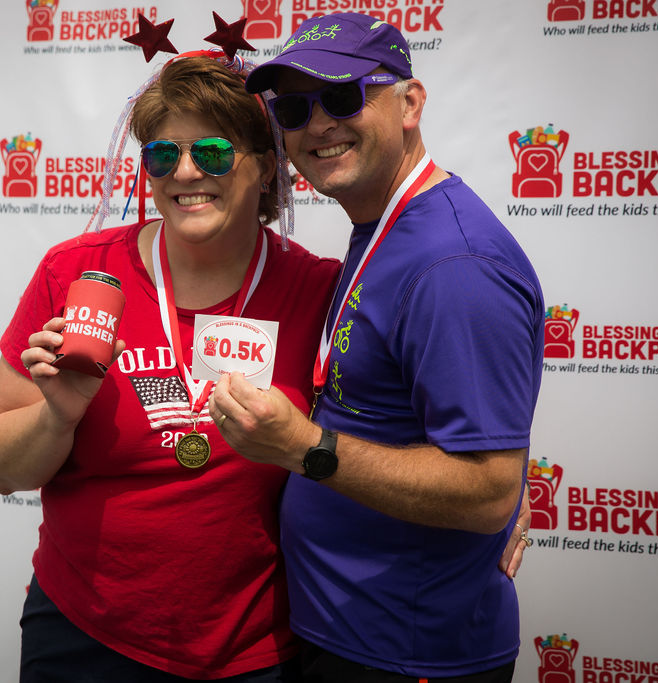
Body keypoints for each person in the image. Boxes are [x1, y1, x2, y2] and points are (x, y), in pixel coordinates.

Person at [0, 52, 340, 681]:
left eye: (214, 152)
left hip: (251, 651)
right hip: (85, 639)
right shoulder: (78, 273)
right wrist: (56, 418)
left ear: (266, 168)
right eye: (163, 155)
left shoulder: (318, 289)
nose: (186, 172)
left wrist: (503, 480)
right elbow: (0, 469)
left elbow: (404, 406)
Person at [209, 13, 545, 683]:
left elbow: (485, 492)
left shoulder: (453, 261)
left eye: (342, 96)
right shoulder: (388, 226)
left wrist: (305, 449)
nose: (319, 124)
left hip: (404, 651)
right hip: (354, 634)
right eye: (296, 109)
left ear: (410, 103)